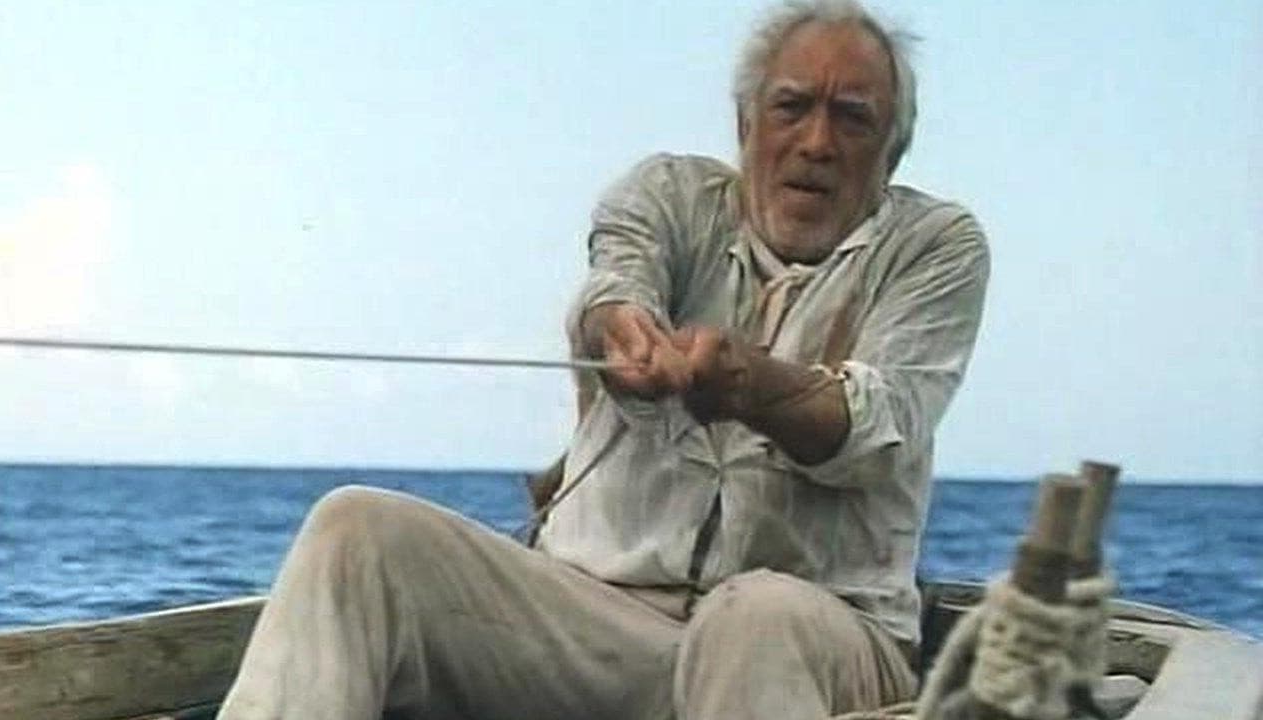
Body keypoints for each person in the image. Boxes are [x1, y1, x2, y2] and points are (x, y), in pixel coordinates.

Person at [217, 0, 989, 718]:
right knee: (356, 531)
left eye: (852, 118)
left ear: (892, 153)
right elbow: (617, 282)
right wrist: (621, 333)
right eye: (792, 107)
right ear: (746, 122)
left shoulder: (938, 246)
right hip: (603, 622)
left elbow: (878, 424)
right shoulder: (667, 193)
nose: (817, 142)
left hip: (821, 638)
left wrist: (749, 384)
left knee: (755, 613)